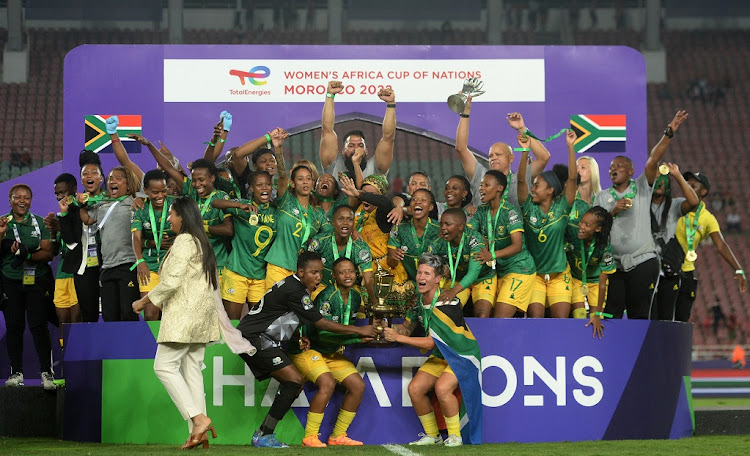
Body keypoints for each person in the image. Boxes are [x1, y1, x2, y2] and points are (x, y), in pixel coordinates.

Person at [236, 252, 376, 448]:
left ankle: (264, 434)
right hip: (256, 339)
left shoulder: (293, 286)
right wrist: (359, 330)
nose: (318, 277)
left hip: (258, 337)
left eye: (320, 273)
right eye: (313, 273)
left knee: (294, 383)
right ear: (301, 272)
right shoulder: (297, 291)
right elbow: (322, 324)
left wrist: (297, 337)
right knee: (293, 381)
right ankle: (264, 435)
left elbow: (279, 313)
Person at [131, 197, 220, 449]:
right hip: (200, 318)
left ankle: (198, 419)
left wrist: (144, 302)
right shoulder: (201, 241)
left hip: (185, 317)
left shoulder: (183, 241)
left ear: (183, 216)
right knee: (192, 370)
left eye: (171, 214)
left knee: (163, 366)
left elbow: (171, 282)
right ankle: (197, 433)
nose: (168, 218)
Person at [594, 110, 690, 319]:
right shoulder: (602, 197)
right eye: (611, 167)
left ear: (630, 171)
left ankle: (640, 352)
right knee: (612, 316)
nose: (613, 169)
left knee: (639, 314)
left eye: (619, 166)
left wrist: (669, 132)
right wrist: (613, 211)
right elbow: (595, 227)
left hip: (642, 262)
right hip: (613, 265)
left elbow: (654, 157)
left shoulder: (642, 187)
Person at [383, 254, 482, 447]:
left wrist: (399, 338)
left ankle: (455, 437)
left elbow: (430, 343)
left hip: (462, 356)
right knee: (415, 389)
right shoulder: (417, 300)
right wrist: (386, 328)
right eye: (419, 272)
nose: (421, 277)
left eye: (427, 273)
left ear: (437, 279)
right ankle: (432, 436)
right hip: (441, 356)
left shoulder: (447, 302)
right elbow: (406, 328)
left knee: (442, 388)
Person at [289, 257, 368, 447]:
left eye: (351, 271)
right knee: (327, 384)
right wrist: (358, 337)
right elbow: (323, 335)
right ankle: (310, 437)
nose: (348, 275)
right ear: (333, 276)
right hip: (312, 349)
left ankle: (338, 436)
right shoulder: (326, 297)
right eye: (342, 272)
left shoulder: (357, 297)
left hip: (332, 353)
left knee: (358, 386)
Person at [517, 129, 578, 318]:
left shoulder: (562, 207)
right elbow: (521, 180)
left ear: (550, 190)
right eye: (533, 185)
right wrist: (524, 151)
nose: (533, 189)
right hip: (534, 276)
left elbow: (572, 179)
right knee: (536, 322)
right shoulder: (528, 207)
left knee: (560, 323)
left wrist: (570, 147)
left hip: (559, 276)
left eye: (537, 185)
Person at [0, 184, 55, 389]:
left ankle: (47, 373)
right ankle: (16, 373)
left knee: (39, 326)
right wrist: (1, 233)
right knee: (14, 327)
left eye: (26, 197)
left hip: (36, 279)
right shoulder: (2, 223)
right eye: (17, 197)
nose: (22, 201)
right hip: (10, 280)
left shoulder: (40, 223)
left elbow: (48, 253)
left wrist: (28, 254)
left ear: (31, 200)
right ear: (10, 200)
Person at [673, 171, 747, 321]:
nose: (688, 186)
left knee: (681, 321)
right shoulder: (674, 205)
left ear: (703, 191)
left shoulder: (708, 218)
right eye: (686, 184)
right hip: (664, 269)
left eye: (693, 185)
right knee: (661, 318)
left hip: (686, 272)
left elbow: (721, 245)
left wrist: (738, 269)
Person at [75, 166, 141, 321]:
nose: (113, 181)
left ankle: (130, 346)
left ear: (129, 184)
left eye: (118, 178)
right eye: (111, 178)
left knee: (128, 314)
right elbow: (88, 220)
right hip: (106, 268)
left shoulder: (134, 203)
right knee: (109, 316)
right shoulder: (102, 204)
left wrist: (139, 197)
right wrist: (81, 205)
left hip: (128, 265)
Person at [455, 101, 550, 210]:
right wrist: (465, 113)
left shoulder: (520, 179)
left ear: (511, 158)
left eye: (498, 154)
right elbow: (461, 148)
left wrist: (522, 129)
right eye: (490, 156)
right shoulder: (481, 176)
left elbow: (544, 157)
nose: (493, 158)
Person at [468, 170, 536, 318]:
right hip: (500, 270)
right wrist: (481, 238)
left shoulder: (509, 212)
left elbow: (517, 246)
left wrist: (491, 255)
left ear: (499, 188)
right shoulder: (481, 211)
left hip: (520, 268)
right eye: (480, 185)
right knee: (489, 317)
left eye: (486, 185)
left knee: (500, 318)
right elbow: (467, 233)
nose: (481, 188)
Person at [212, 171, 276, 319]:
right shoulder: (242, 207)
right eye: (259, 185)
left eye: (267, 184)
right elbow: (215, 203)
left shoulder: (276, 212)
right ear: (252, 189)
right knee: (232, 321)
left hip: (259, 277)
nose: (264, 188)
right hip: (237, 273)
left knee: (257, 322)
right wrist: (239, 205)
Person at [264, 145, 327, 288]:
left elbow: (330, 233)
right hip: (278, 267)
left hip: (301, 272)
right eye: (300, 179)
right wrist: (279, 148)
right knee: (276, 309)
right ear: (292, 183)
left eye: (308, 179)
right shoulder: (286, 200)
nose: (305, 182)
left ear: (313, 183)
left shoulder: (318, 213)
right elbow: (282, 176)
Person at [340, 173, 410, 296]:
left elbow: (385, 202)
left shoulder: (383, 213)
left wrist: (359, 194)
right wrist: (353, 230)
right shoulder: (359, 209)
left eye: (371, 195)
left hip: (385, 270)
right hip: (364, 268)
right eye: (364, 192)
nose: (366, 198)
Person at [58, 150, 106, 322]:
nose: (89, 176)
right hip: (84, 266)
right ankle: (93, 348)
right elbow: (69, 240)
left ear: (101, 178)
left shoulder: (109, 200)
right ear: (82, 180)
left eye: (94, 173)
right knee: (88, 313)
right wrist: (64, 215)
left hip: (109, 262)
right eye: (85, 174)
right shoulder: (72, 205)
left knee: (112, 312)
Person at [649, 163, 699, 321]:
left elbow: (693, 202)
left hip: (667, 271)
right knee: (646, 318)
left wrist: (677, 175)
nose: (660, 182)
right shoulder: (641, 205)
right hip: (645, 269)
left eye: (664, 180)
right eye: (657, 179)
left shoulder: (675, 205)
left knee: (665, 319)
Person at [320, 80, 396, 182]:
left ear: (366, 150)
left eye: (360, 145)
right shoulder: (334, 164)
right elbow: (327, 130)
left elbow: (388, 138)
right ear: (343, 151)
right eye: (351, 146)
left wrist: (391, 104)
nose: (356, 149)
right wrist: (330, 95)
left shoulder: (375, 167)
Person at [427, 208, 495, 314]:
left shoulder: (474, 240)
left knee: (482, 314)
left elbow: (473, 273)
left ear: (460, 227)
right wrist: (441, 267)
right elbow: (426, 265)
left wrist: (453, 291)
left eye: (447, 224)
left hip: (482, 278)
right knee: (447, 312)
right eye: (441, 224)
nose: (443, 228)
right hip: (457, 279)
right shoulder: (439, 241)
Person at [131, 170, 176, 321]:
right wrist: (140, 262)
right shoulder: (140, 208)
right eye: (155, 192)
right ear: (146, 191)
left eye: (164, 191)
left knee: (173, 314)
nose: (160, 196)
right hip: (149, 266)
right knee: (150, 314)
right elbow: (136, 238)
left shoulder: (176, 205)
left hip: (173, 266)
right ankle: (152, 345)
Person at [307, 205, 376, 303]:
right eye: (340, 219)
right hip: (322, 286)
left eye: (349, 220)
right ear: (333, 222)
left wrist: (375, 303)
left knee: (360, 312)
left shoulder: (361, 247)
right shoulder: (320, 241)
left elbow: (368, 278)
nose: (345, 223)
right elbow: (308, 269)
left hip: (350, 288)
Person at [566, 206, 616, 338]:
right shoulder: (572, 232)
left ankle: (592, 346)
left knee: (595, 319)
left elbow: (602, 284)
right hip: (576, 280)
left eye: (587, 225)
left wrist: (598, 314)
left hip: (595, 284)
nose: (581, 226)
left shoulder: (604, 246)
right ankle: (577, 343)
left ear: (598, 229)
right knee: (580, 315)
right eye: (581, 221)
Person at [565, 156, 603, 318]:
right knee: (577, 315)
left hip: (595, 269)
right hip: (570, 268)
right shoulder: (569, 199)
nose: (578, 170)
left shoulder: (600, 200)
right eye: (576, 167)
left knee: (597, 317)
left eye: (583, 167)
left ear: (593, 172)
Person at [388, 189, 441, 287]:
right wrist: (393, 257)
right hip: (407, 281)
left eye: (423, 200)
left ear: (430, 207)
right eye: (414, 199)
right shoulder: (399, 227)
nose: (417, 202)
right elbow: (391, 263)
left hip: (432, 282)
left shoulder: (439, 230)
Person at [50, 173, 81, 328]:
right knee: (63, 323)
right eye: (57, 194)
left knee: (76, 322)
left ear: (74, 189)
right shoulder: (59, 215)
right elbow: (54, 251)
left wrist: (61, 222)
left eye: (63, 192)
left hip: (78, 271)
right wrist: (53, 233)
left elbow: (73, 242)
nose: (60, 196)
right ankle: (63, 350)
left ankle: (77, 352)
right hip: (62, 273)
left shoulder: (79, 211)